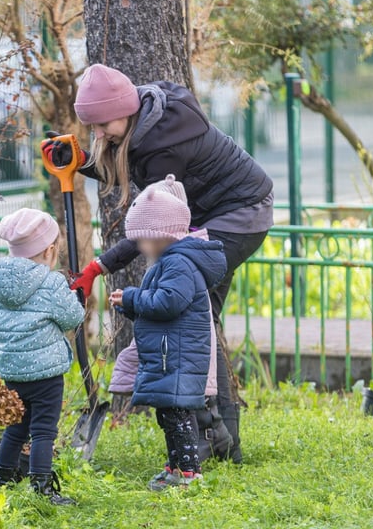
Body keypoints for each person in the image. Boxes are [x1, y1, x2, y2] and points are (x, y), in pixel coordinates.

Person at [42, 64, 273, 463]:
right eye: (90, 128)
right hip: (203, 217)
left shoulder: (166, 143)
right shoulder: (145, 120)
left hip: (240, 214)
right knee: (196, 318)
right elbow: (143, 193)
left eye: (100, 125)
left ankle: (214, 437)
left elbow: (155, 226)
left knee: (187, 317)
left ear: (124, 110)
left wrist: (99, 267)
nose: (97, 134)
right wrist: (80, 160)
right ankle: (217, 438)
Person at [108, 176, 227, 490]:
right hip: (169, 353)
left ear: (159, 235)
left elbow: (168, 303)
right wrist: (129, 305)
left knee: (177, 416)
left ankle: (188, 473)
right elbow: (159, 310)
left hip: (177, 356)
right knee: (168, 415)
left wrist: (134, 297)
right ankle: (175, 466)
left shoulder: (179, 265)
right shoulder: (169, 263)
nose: (139, 245)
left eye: (141, 239)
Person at [0, 208, 84, 505]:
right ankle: (41, 487)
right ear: (49, 250)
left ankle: (3, 477)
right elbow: (73, 317)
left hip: (12, 369)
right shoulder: (50, 283)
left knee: (15, 427)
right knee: (42, 431)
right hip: (46, 373)